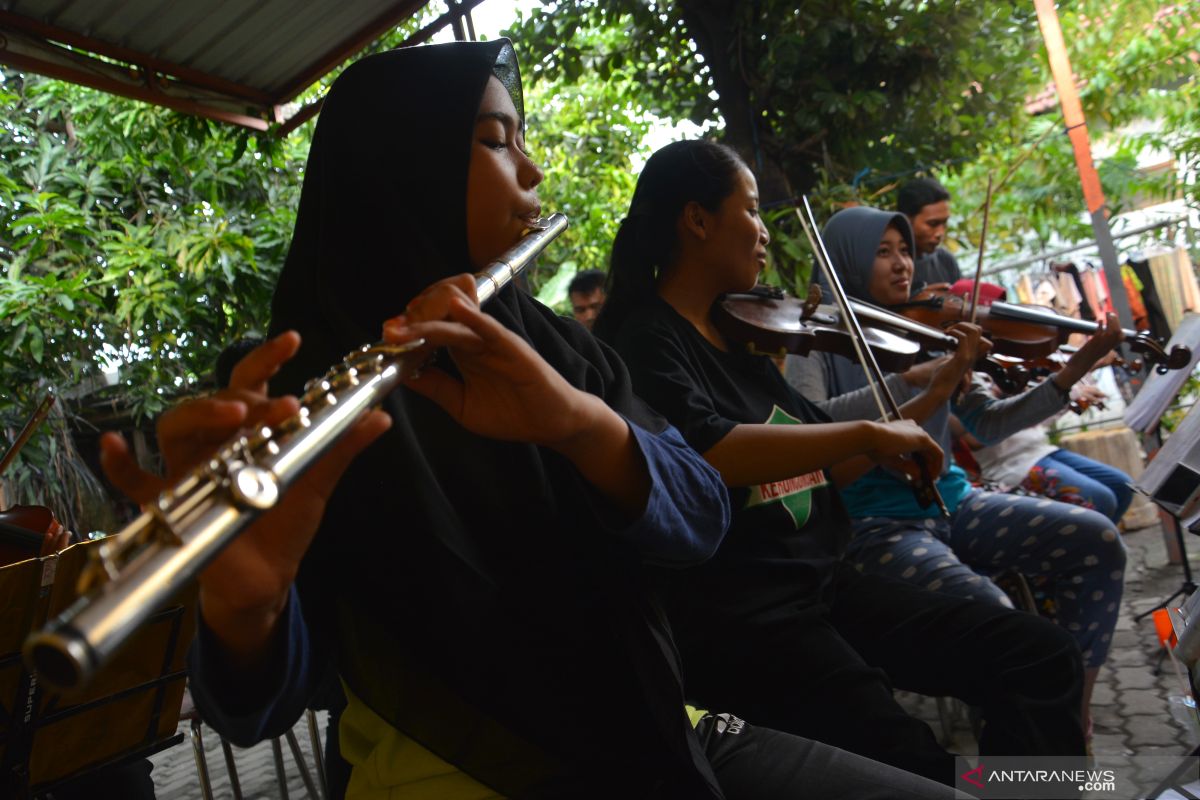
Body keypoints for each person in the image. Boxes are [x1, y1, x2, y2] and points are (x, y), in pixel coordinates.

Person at [101, 41, 969, 799]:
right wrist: (247, 610)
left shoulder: (556, 344)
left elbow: (700, 516)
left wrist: (580, 423)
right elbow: (256, 710)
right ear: (399, 164)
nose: (533, 171)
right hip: (455, 769)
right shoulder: (289, 384)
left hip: (654, 725)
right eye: (493, 141)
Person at [595, 138, 1088, 786]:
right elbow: (710, 453)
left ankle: (1031, 791)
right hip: (753, 619)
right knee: (929, 769)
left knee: (1039, 656)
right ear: (697, 219)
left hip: (823, 585)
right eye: (751, 211)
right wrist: (868, 431)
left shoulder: (738, 337)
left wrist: (921, 409)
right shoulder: (645, 340)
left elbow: (820, 462)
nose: (765, 235)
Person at [785, 203, 1127, 739]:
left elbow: (988, 425)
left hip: (956, 501)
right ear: (844, 261)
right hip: (878, 526)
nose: (903, 265)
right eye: (883, 252)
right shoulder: (810, 338)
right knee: (996, 616)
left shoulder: (931, 329)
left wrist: (1073, 370)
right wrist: (916, 382)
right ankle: (1012, 771)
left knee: (1097, 539)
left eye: (904, 251)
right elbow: (814, 425)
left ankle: (1073, 709)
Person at [897, 176, 959, 290]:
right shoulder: (892, 268)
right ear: (906, 220)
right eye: (933, 224)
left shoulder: (945, 261)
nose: (940, 233)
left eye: (944, 223)